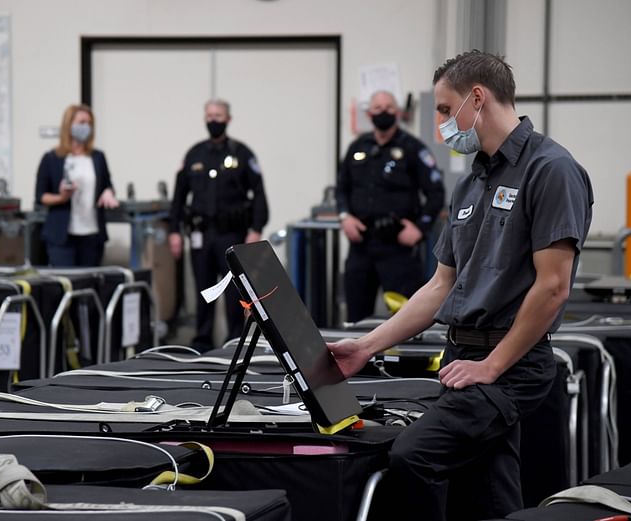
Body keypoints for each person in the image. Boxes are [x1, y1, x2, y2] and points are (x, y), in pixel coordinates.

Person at [329, 50, 593, 521]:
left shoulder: (551, 169)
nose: (441, 125)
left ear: (478, 98)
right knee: (486, 490)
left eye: (446, 110)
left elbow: (553, 287)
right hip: (461, 359)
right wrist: (366, 347)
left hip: (510, 365)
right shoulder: (472, 182)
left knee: (413, 456)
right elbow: (439, 286)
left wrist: (491, 366)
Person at [168, 99, 269, 353]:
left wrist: (256, 229)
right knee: (205, 290)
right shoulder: (194, 154)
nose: (214, 120)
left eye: (219, 115)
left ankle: (234, 341)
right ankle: (202, 340)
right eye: (210, 115)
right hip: (201, 235)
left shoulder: (242, 153)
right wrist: (174, 232)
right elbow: (179, 197)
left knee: (234, 292)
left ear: (228, 119)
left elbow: (258, 195)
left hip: (231, 235)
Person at [336, 90, 445, 323]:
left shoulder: (413, 149)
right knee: (356, 318)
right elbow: (341, 188)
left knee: (405, 319)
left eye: (388, 107)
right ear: (368, 113)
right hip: (361, 246)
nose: (383, 112)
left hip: (398, 249)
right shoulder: (357, 147)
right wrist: (345, 216)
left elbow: (436, 194)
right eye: (377, 108)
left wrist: (419, 228)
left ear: (397, 112)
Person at [35, 104, 119, 267]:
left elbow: (107, 185)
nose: (86, 127)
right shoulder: (52, 158)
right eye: (81, 122)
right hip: (62, 236)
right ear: (69, 125)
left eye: (89, 123)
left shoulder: (98, 157)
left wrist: (109, 192)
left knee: (89, 285)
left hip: (92, 234)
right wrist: (61, 197)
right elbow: (40, 196)